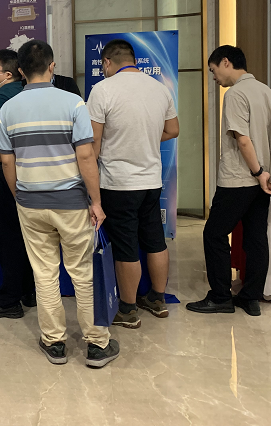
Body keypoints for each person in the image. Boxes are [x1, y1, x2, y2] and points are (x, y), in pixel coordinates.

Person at [0, 40, 119, 367]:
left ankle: (54, 343)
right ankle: (97, 344)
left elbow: (6, 160)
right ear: (52, 66)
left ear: (20, 71)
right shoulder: (74, 103)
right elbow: (86, 156)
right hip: (71, 203)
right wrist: (96, 201)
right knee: (82, 272)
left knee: (44, 273)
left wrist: (19, 195)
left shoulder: (9, 109)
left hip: (30, 203)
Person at [86, 39, 180, 329]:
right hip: (151, 181)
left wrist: (88, 181)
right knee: (155, 240)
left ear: (107, 62)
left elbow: (94, 143)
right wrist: (146, 139)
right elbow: (173, 129)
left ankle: (127, 310)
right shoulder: (160, 89)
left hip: (118, 183)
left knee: (126, 246)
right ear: (134, 60)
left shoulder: (102, 90)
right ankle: (157, 299)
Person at [187, 45, 271, 317]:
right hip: (263, 181)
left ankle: (220, 297)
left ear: (226, 62)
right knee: (255, 238)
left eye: (213, 70)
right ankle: (250, 298)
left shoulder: (235, 94)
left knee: (214, 234)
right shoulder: (267, 92)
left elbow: (242, 140)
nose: (214, 77)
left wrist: (258, 172)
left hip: (239, 179)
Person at [0, 49, 35, 319]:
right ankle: (28, 291)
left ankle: (9, 300)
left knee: (7, 237)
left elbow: (1, 137)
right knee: (24, 236)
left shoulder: (4, 94)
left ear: (8, 74)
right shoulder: (26, 91)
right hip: (28, 170)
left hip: (6, 169)